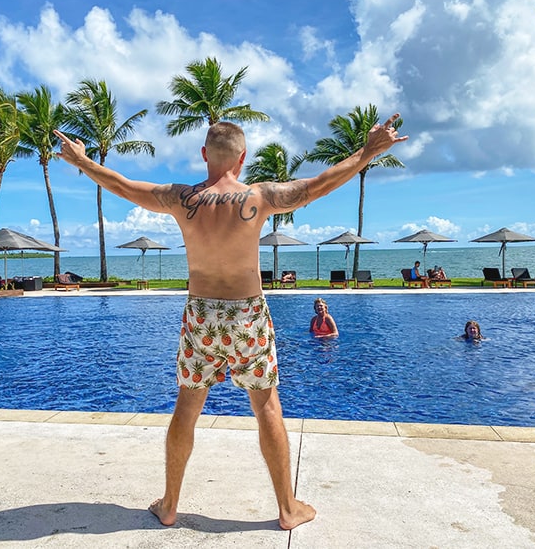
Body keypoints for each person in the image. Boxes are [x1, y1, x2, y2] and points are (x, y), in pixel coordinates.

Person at [55, 114, 407, 530]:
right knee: (267, 407)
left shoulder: (180, 198)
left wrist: (82, 161)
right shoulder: (259, 198)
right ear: (242, 159)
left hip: (201, 313)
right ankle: (287, 509)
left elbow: (124, 186)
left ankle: (169, 505)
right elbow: (318, 184)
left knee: (187, 406)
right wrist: (367, 151)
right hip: (247, 314)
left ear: (205, 155)